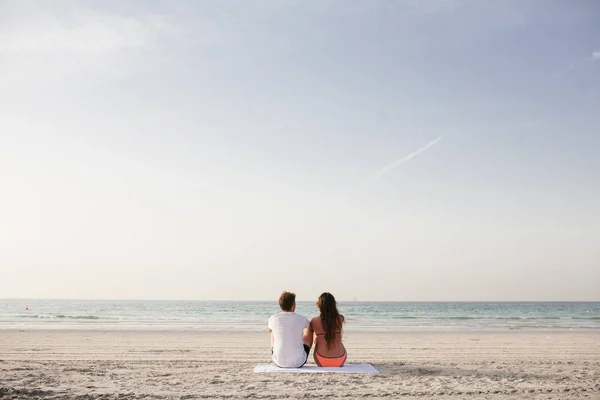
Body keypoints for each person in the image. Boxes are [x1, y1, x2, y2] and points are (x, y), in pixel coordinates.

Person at [268, 291, 313, 368]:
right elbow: (310, 328)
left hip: (278, 361)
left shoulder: (273, 318)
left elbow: (269, 330)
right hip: (299, 361)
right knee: (308, 330)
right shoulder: (301, 318)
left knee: (272, 331)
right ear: (293, 305)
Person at [310, 292, 347, 367]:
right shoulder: (340, 318)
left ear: (320, 306)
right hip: (340, 359)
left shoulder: (314, 321)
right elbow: (330, 327)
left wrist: (319, 336)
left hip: (321, 359)